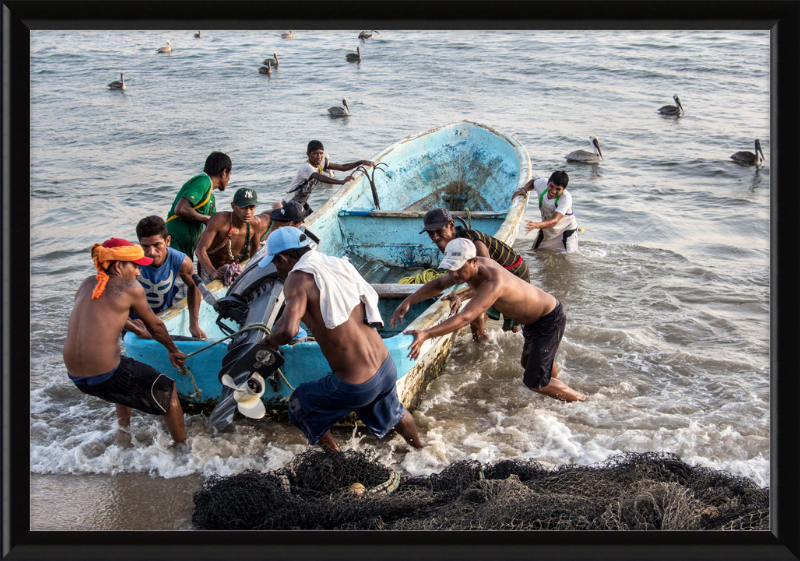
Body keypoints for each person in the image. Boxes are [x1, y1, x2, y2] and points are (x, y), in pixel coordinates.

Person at [258, 227, 423, 451]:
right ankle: (421, 452)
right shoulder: (336, 264)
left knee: (301, 403)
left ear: (283, 258)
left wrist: (267, 342)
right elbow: (288, 319)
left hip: (357, 385)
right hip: (386, 367)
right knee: (397, 413)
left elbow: (288, 331)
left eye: (275, 263)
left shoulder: (296, 279)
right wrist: (276, 334)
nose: (277, 270)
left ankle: (336, 464)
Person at [390, 239, 587, 403]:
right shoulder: (469, 268)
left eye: (458, 269)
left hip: (548, 317)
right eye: (451, 269)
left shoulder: (493, 282)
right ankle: (558, 383)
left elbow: (466, 317)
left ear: (473, 261)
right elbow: (440, 283)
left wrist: (427, 333)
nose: (454, 274)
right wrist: (409, 300)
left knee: (535, 382)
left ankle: (582, 400)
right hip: (534, 320)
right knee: (531, 364)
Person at [62, 238, 189, 446]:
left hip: (77, 377)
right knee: (167, 388)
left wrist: (130, 325)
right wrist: (173, 350)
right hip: (105, 375)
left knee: (124, 370)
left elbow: (96, 316)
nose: (138, 272)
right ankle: (182, 449)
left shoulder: (87, 283)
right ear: (119, 265)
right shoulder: (130, 286)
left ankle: (124, 434)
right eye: (136, 265)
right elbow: (156, 326)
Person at [419, 207, 531, 340]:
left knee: (510, 325)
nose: (435, 237)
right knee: (477, 319)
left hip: (514, 272)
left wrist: (461, 296)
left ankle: (508, 351)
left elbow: (488, 280)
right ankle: (483, 351)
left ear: (451, 225)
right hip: (494, 277)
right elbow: (441, 282)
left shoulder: (474, 242)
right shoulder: (449, 243)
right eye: (431, 234)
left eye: (439, 231)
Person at [124, 216, 207, 340]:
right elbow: (113, 295)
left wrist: (194, 324)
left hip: (162, 316)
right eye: (145, 246)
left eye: (157, 245)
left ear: (167, 241)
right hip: (133, 321)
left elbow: (194, 286)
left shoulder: (181, 261)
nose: (151, 252)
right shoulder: (129, 260)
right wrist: (129, 321)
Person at [166, 151, 232, 259]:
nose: (229, 179)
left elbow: (214, 225)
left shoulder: (211, 198)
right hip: (174, 242)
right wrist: (205, 219)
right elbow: (181, 209)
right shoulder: (204, 181)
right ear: (224, 172)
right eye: (230, 174)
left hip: (186, 247)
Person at [283, 140, 376, 217]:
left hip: (301, 203)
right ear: (308, 154)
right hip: (291, 203)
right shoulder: (307, 167)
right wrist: (341, 182)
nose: (319, 156)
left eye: (321, 153)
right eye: (315, 153)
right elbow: (321, 177)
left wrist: (361, 162)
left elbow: (343, 167)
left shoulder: (320, 162)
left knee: (312, 218)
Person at [195, 187, 262, 286]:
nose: (248, 212)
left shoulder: (255, 223)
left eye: (251, 208)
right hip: (209, 267)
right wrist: (212, 272)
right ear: (233, 206)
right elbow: (200, 249)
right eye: (243, 207)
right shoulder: (219, 220)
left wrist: (252, 269)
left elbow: (255, 247)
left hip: (231, 268)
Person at [513, 171, 579, 253]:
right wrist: (524, 189)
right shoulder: (543, 183)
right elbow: (533, 182)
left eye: (558, 189)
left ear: (564, 189)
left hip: (565, 232)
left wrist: (536, 225)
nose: (553, 191)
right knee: (535, 253)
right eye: (551, 186)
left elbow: (554, 221)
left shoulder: (566, 199)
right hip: (547, 229)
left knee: (567, 259)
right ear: (548, 182)